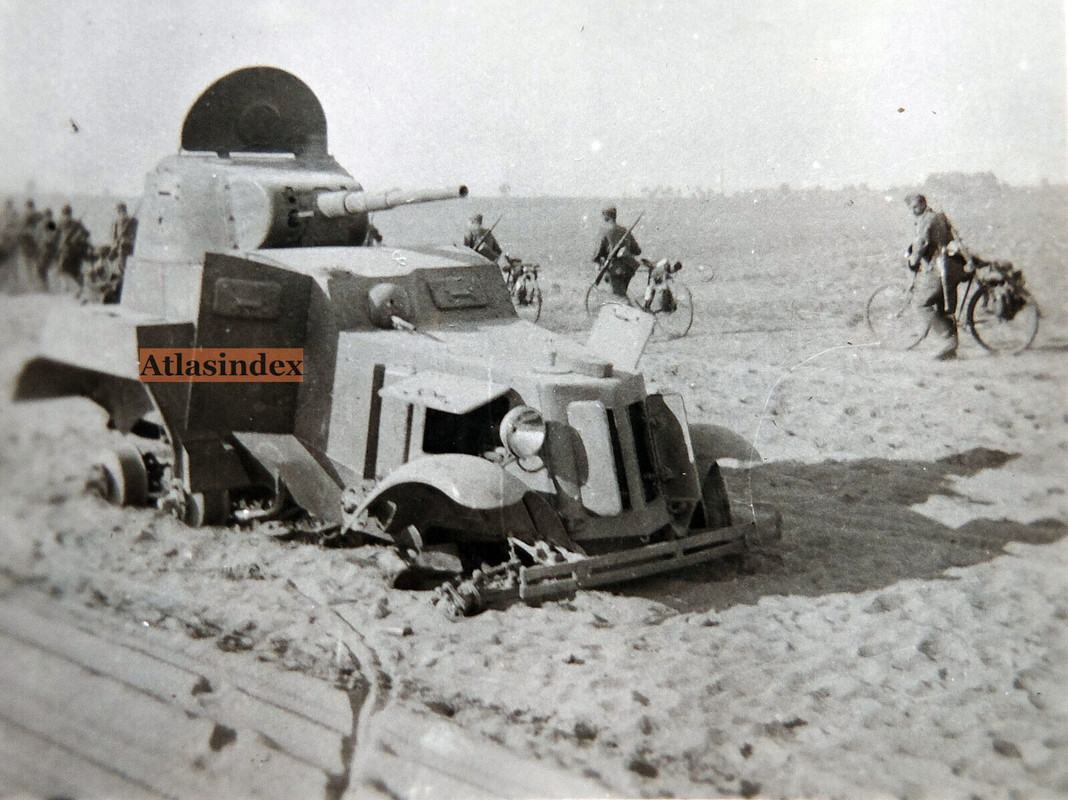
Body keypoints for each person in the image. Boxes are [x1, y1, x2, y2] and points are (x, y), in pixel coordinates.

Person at [905, 193, 967, 360]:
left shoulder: (927, 220)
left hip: (939, 268)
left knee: (921, 305)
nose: (913, 211)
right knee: (942, 306)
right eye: (911, 209)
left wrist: (913, 262)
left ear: (923, 204)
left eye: (915, 207)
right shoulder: (939, 216)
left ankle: (948, 340)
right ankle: (951, 350)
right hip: (952, 266)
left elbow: (922, 243)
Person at [593, 205, 641, 297]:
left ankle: (628, 310)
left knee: (619, 296)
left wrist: (598, 262)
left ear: (606, 216)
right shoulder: (625, 231)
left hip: (614, 269)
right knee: (621, 293)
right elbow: (637, 251)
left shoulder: (604, 231)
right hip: (628, 269)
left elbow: (598, 252)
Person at [54, 204, 92, 291]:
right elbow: (86, 233)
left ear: (63, 213)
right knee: (75, 271)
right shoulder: (76, 223)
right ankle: (82, 288)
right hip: (76, 250)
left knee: (61, 268)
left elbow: (55, 236)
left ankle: (65, 286)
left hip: (66, 249)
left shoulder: (60, 223)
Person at [34, 208, 60, 290]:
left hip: (45, 248)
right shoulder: (52, 223)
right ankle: (48, 286)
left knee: (41, 268)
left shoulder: (44, 223)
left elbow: (38, 237)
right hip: (53, 248)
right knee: (50, 267)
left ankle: (45, 287)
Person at [109, 202, 137, 273]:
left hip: (126, 245)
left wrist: (114, 246)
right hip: (125, 245)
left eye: (119, 210)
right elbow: (114, 236)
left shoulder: (132, 220)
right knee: (123, 264)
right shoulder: (117, 221)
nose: (119, 212)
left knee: (124, 264)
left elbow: (134, 234)